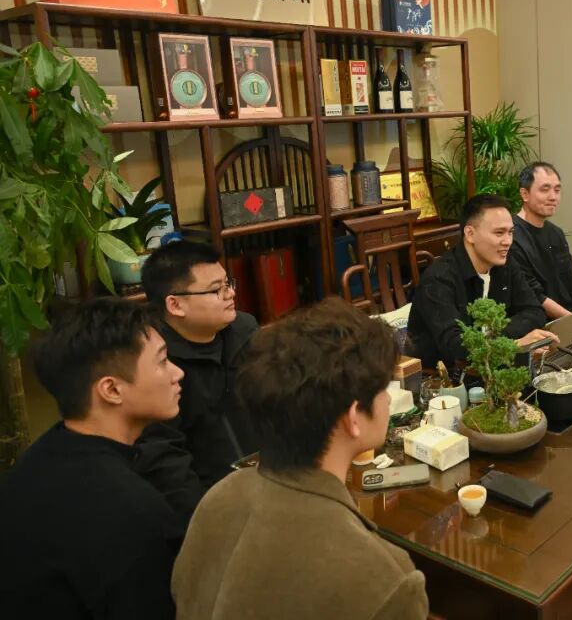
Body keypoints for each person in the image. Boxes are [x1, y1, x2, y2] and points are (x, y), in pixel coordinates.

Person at [172, 297, 428, 619]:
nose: (388, 399)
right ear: (353, 418)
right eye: (381, 389)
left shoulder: (217, 498)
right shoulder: (386, 581)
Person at [0, 299, 184, 619]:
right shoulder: (128, 511)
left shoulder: (39, 459)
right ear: (111, 389)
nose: (177, 373)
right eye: (163, 361)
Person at [135, 240, 260, 522]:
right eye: (216, 290)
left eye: (228, 284)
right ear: (175, 304)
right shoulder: (155, 365)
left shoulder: (245, 331)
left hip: (267, 485)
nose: (230, 294)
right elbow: (164, 458)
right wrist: (208, 519)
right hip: (208, 506)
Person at [408, 194, 557, 369]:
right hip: (441, 376)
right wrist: (512, 345)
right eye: (499, 233)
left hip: (493, 366)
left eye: (510, 232)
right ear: (470, 234)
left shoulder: (505, 263)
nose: (508, 242)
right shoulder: (438, 278)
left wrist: (496, 338)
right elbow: (456, 347)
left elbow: (534, 312)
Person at [509, 162, 572, 319]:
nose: (553, 197)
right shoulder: (510, 235)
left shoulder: (556, 233)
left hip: (569, 317)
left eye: (557, 190)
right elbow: (534, 295)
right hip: (540, 322)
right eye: (545, 190)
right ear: (525, 194)